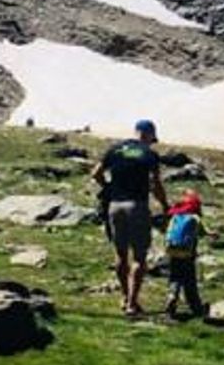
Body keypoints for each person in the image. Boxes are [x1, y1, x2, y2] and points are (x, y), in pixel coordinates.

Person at [90, 119, 169, 317]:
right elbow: (155, 184)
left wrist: (108, 188)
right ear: (149, 135)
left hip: (115, 206)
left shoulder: (115, 149)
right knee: (140, 257)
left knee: (120, 254)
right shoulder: (149, 154)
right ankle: (133, 303)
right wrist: (165, 205)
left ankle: (125, 297)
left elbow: (96, 172)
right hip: (137, 206)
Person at [162, 189, 209, 320]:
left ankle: (172, 296)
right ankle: (196, 308)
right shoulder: (194, 218)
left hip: (173, 252)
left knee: (175, 277)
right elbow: (202, 232)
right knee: (190, 281)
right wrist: (211, 234)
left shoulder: (175, 217)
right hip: (188, 254)